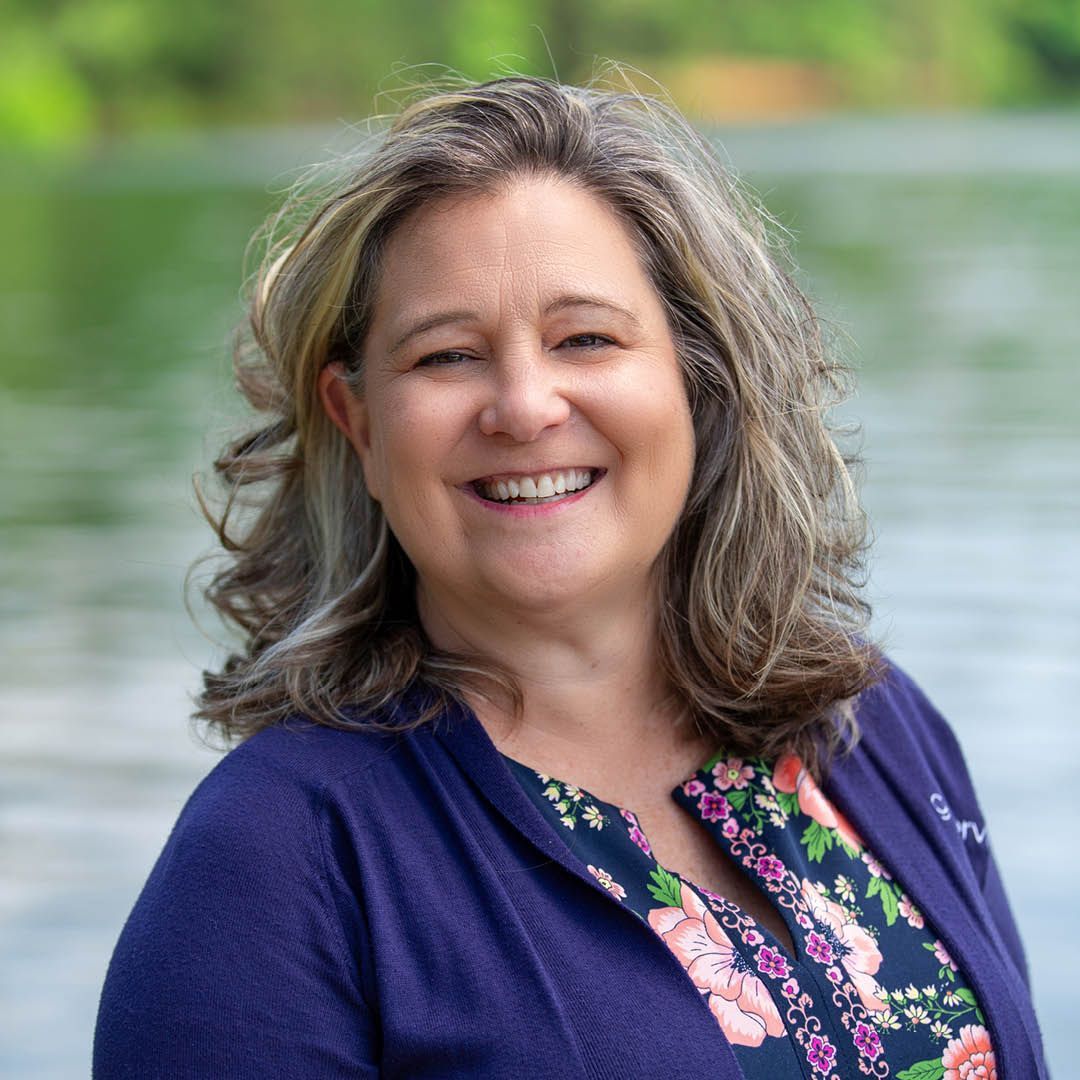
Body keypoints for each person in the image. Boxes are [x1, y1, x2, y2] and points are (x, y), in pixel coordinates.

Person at [93, 75, 1046, 1078]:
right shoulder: (279, 860)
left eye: (585, 337)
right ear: (359, 423)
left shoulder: (875, 726)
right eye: (447, 356)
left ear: (695, 379)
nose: (523, 405)